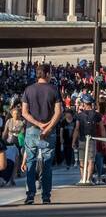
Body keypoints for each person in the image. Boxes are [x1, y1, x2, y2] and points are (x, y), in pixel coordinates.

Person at [21, 65, 62, 205]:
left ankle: (30, 194)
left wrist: (38, 124)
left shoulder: (29, 89)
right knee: (47, 163)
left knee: (30, 161)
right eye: (50, 73)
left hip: (32, 129)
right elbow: (58, 112)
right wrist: (48, 127)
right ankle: (46, 196)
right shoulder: (53, 90)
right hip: (48, 131)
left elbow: (24, 112)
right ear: (46, 74)